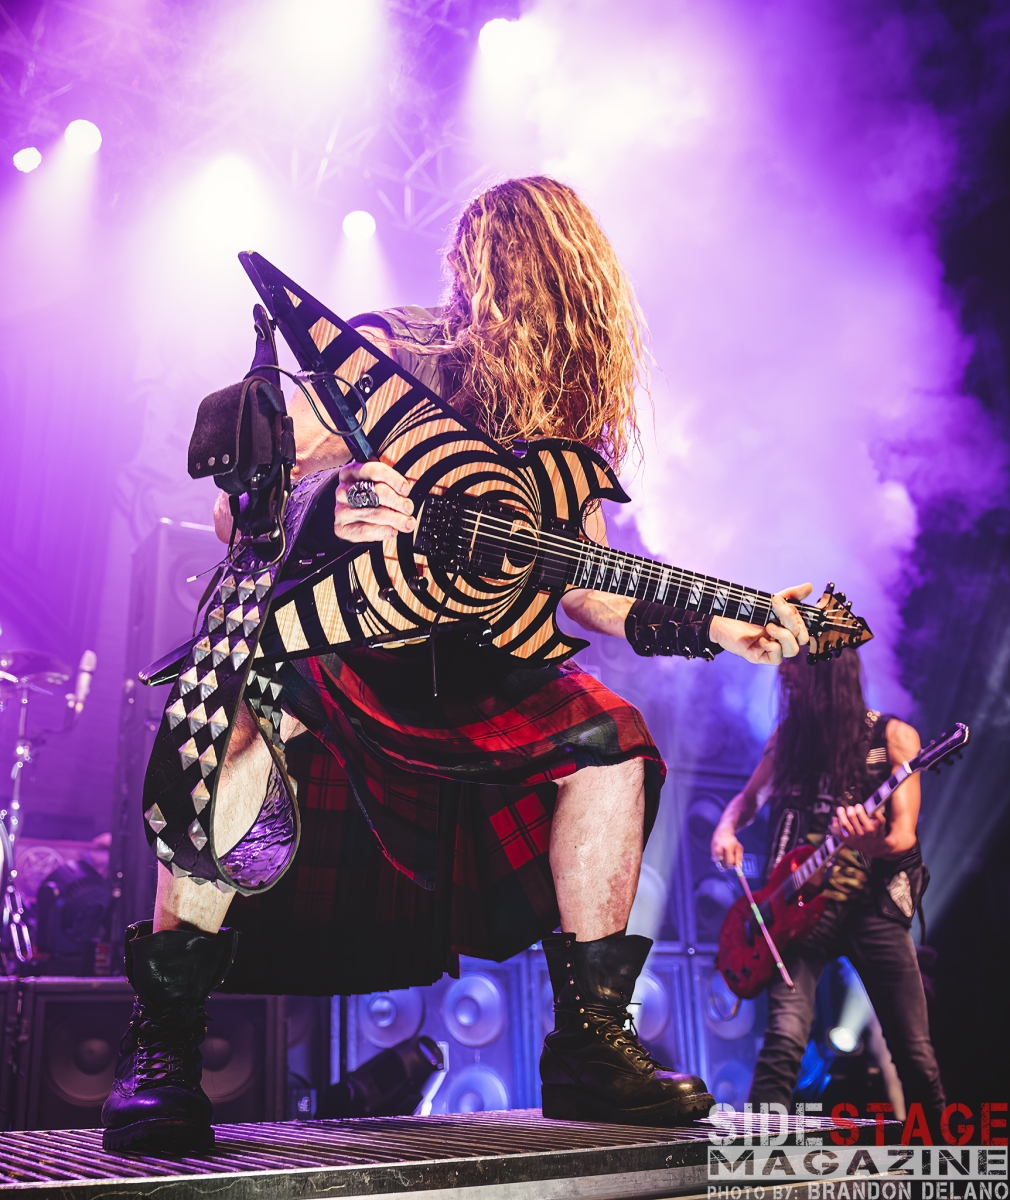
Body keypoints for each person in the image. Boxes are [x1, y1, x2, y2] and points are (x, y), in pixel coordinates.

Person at [103, 176, 814, 1152]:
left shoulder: (565, 420)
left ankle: (589, 1049)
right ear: (487, 271)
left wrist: (716, 625)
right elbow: (236, 512)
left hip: (478, 674)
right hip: (345, 642)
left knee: (611, 743)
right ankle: (165, 1049)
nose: (550, 314)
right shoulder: (388, 357)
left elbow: (583, 582)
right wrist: (331, 504)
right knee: (233, 721)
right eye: (537, 282)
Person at [710, 648, 944, 1119]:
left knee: (914, 1054)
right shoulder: (787, 739)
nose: (784, 670)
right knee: (782, 1042)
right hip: (796, 910)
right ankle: (758, 1153)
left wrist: (872, 842)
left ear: (828, 670)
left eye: (796, 661)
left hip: (872, 908)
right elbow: (749, 798)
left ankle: (941, 1155)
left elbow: (903, 835)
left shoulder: (893, 737)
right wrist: (725, 828)